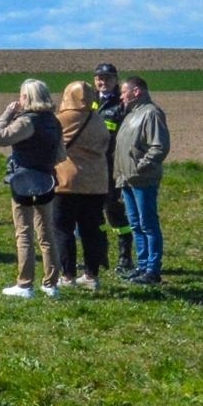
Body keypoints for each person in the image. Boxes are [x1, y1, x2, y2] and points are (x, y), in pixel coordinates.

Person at [0, 79, 66, 297]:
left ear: (27, 97)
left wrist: (7, 114)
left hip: (23, 180)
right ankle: (51, 284)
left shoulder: (26, 122)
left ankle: (25, 284)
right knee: (47, 232)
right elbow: (61, 154)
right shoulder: (54, 122)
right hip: (47, 179)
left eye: (22, 95)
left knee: (24, 232)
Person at [50, 80, 110, 288]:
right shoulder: (98, 120)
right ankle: (91, 275)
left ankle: (67, 275)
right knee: (91, 230)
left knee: (63, 229)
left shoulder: (62, 119)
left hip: (67, 182)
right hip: (96, 183)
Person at [112, 75, 170, 285]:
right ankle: (142, 266)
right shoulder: (131, 115)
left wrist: (141, 166)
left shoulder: (151, 113)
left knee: (148, 224)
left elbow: (159, 146)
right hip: (126, 179)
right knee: (135, 225)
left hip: (142, 179)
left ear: (136, 91)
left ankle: (153, 270)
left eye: (124, 92)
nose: (121, 97)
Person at [93, 62, 135, 274]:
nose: (103, 82)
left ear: (115, 80)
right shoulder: (89, 100)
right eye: (100, 78)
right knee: (93, 214)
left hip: (112, 166)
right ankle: (99, 257)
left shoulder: (122, 104)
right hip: (91, 166)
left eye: (108, 78)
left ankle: (125, 258)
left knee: (114, 212)